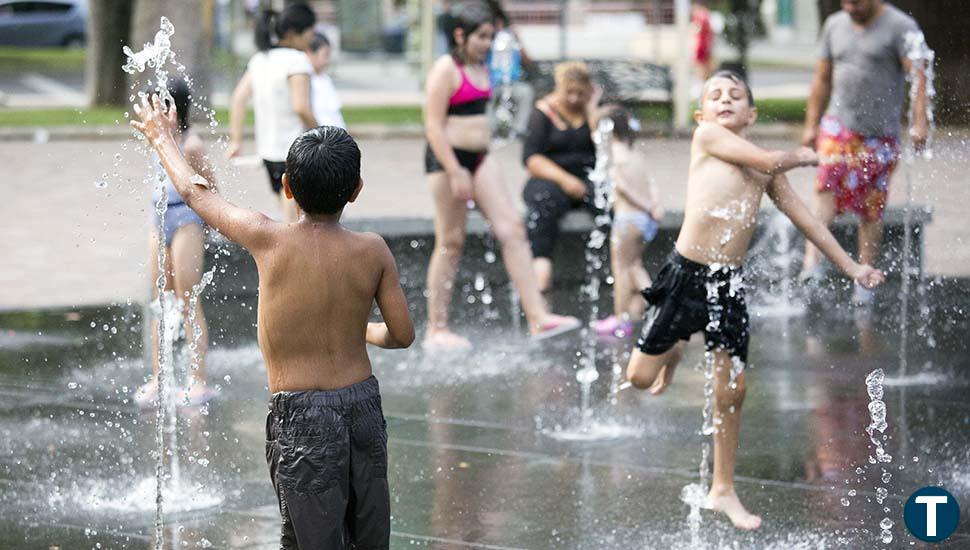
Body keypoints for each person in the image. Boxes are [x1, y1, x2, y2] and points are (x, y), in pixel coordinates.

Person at [132, 95, 415, 548]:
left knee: (307, 538)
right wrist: (359, 329)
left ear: (286, 186)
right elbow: (402, 335)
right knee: (369, 534)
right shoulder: (373, 250)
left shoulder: (267, 238)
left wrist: (163, 137)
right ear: (356, 188)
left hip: (302, 416)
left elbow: (193, 192)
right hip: (364, 408)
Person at [624, 71, 885, 530]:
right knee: (640, 378)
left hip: (727, 284)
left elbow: (808, 220)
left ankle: (722, 489)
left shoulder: (764, 173)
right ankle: (677, 345)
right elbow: (769, 157)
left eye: (735, 95)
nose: (725, 100)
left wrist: (852, 267)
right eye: (715, 95)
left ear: (751, 113)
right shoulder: (708, 137)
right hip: (687, 276)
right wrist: (804, 155)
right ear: (703, 113)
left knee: (734, 391)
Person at [423, 1, 580, 349]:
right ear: (461, 34)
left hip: (480, 157)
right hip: (447, 159)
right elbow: (433, 127)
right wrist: (454, 170)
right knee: (450, 241)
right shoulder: (445, 69)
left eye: (490, 37)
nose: (486, 44)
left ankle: (538, 317)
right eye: (480, 37)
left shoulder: (484, 67)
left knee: (512, 227)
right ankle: (437, 328)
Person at [799, 0, 927, 304]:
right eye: (845, 2)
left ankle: (864, 275)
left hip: (879, 136)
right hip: (838, 127)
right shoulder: (835, 24)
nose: (850, 7)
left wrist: (919, 121)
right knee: (826, 185)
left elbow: (919, 76)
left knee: (872, 206)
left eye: (856, 2)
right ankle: (811, 263)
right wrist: (810, 125)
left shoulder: (899, 27)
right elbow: (822, 78)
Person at [134, 79, 214, 408]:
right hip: (159, 217)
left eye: (158, 106)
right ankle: (159, 377)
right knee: (159, 302)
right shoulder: (157, 138)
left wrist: (212, 225)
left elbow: (210, 187)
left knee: (187, 299)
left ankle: (198, 380)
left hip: (186, 220)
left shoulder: (191, 145)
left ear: (173, 109)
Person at [228, 2, 318, 223]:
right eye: (310, 31)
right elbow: (301, 107)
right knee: (297, 223)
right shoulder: (297, 61)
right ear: (294, 33)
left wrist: (236, 140)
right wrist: (322, 133)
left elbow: (238, 98)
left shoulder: (260, 60)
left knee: (287, 215)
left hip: (268, 152)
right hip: (295, 151)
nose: (312, 37)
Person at [522, 60, 602, 291]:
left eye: (580, 93)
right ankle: (541, 272)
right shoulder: (543, 113)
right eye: (569, 92)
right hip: (551, 178)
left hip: (587, 178)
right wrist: (566, 180)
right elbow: (531, 158)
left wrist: (592, 110)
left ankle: (620, 268)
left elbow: (607, 150)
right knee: (543, 205)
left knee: (608, 203)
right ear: (559, 87)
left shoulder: (592, 112)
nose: (575, 98)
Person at [591, 105, 664, 338]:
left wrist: (645, 205)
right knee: (634, 265)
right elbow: (651, 182)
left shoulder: (616, 159)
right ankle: (650, 306)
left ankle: (622, 317)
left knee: (622, 269)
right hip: (644, 220)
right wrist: (654, 205)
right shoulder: (635, 155)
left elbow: (622, 189)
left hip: (628, 219)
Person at [306, 31, 346, 129]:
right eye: (325, 55)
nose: (327, 61)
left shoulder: (325, 79)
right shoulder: (305, 81)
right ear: (310, 53)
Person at [692, 1, 715, 81]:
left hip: (701, 45)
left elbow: (698, 28)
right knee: (707, 67)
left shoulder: (700, 14)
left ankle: (703, 82)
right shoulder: (707, 14)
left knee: (700, 66)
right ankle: (707, 81)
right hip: (707, 44)